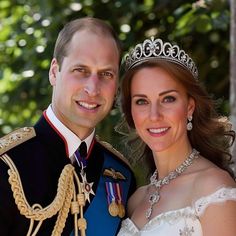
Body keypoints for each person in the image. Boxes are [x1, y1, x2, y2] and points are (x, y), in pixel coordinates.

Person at [0, 17, 135, 236]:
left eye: (106, 74)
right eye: (80, 70)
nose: (93, 88)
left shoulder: (121, 175)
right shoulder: (7, 165)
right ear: (54, 72)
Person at [117, 37, 236, 235]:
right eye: (141, 101)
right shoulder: (134, 200)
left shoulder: (214, 188)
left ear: (189, 107)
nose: (154, 115)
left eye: (168, 99)